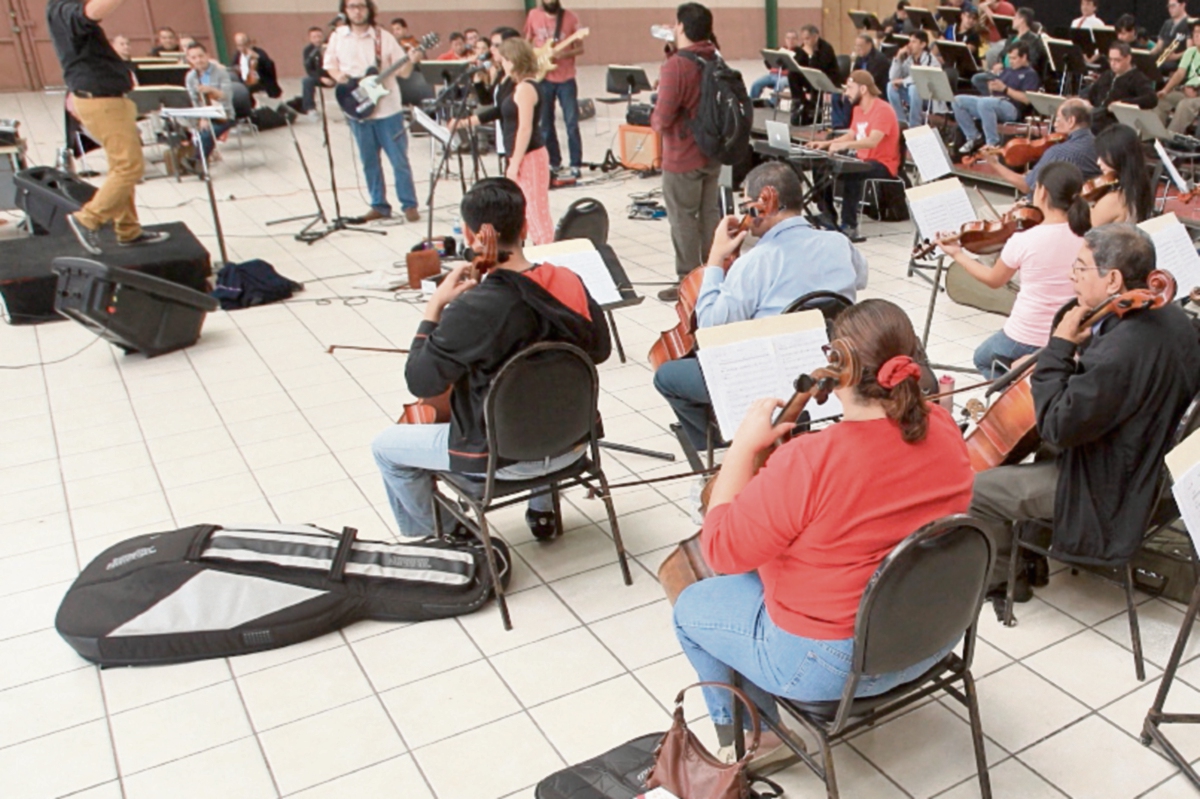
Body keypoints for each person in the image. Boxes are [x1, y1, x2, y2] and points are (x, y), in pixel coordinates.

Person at [673, 298, 974, 763]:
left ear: (842, 368)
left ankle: (761, 738)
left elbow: (721, 551)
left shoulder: (811, 460)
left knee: (691, 605)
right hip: (934, 638)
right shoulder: (942, 426)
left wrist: (742, 450)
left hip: (833, 669)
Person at [371, 178, 611, 541]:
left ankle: (450, 535)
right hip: (574, 443)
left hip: (504, 462)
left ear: (471, 236)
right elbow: (601, 351)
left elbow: (421, 381)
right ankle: (543, 512)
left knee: (387, 449)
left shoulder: (473, 308)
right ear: (525, 226)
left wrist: (435, 306)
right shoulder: (569, 280)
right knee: (541, 389)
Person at [970, 224, 1200, 598]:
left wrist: (1059, 348)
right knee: (1039, 457)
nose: (1070, 276)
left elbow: (1057, 425)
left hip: (1110, 487)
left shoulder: (1121, 349)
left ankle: (1005, 582)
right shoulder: (1175, 320)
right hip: (1152, 467)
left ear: (1113, 280)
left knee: (975, 489)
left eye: (1079, 268)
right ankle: (1031, 548)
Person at [653, 162, 869, 454]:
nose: (745, 215)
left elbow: (710, 327)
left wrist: (716, 258)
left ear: (763, 205)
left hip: (772, 379)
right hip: (831, 368)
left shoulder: (756, 262)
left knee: (667, 375)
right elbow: (862, 278)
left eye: (747, 206)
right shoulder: (839, 243)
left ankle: (724, 454)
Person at [936, 162, 1091, 378]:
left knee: (982, 359)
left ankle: (1023, 396)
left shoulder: (1024, 239)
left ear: (1043, 192)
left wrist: (957, 254)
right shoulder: (1089, 237)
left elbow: (994, 280)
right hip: (1070, 335)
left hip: (1026, 336)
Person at [49, 0, 169, 254]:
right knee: (129, 167)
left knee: (120, 165)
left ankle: (128, 229)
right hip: (102, 101)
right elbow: (91, 12)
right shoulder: (63, 9)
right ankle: (88, 219)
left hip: (109, 98)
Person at [324, 0, 421, 224]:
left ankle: (409, 204)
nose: (357, 11)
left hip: (388, 109)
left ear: (369, 9)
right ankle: (379, 205)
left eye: (361, 6)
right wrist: (339, 77)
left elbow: (403, 72)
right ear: (345, 11)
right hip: (357, 108)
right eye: (352, 7)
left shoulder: (383, 37)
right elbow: (329, 64)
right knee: (369, 161)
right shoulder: (338, 36)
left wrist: (412, 60)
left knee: (399, 160)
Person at [449, 38, 553, 245]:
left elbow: (525, 128)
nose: (501, 63)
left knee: (536, 210)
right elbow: (499, 111)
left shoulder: (526, 88)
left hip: (529, 155)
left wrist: (514, 163)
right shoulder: (514, 85)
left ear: (514, 61)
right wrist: (466, 122)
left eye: (504, 59)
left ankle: (546, 251)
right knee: (526, 209)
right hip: (519, 155)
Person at [652, 2, 721, 302]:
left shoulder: (676, 66)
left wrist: (652, 117)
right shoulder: (715, 57)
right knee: (708, 215)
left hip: (682, 156)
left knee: (682, 218)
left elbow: (662, 118)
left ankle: (687, 281)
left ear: (680, 27)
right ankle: (713, 274)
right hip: (712, 151)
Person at [808, 70, 900, 242]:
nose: (846, 93)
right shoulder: (858, 110)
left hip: (883, 164)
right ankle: (827, 214)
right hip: (862, 160)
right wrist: (826, 144)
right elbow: (851, 134)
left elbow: (872, 141)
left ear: (863, 89)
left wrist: (844, 145)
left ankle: (849, 225)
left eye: (850, 88)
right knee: (820, 164)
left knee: (852, 170)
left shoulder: (883, 110)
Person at [983, 98, 1100, 193]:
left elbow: (1026, 186)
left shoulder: (1058, 152)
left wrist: (994, 163)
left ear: (1071, 121)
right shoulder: (1098, 144)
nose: (1055, 125)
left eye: (1058, 119)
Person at [525, 0, 585, 180]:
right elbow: (528, 42)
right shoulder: (533, 16)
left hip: (566, 78)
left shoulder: (570, 18)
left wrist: (563, 54)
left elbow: (580, 48)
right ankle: (554, 162)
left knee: (572, 123)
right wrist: (534, 60)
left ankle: (575, 163)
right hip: (543, 78)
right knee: (545, 123)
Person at [956, 43, 1039, 152]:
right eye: (1009, 58)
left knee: (985, 103)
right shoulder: (1007, 70)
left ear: (1024, 57)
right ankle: (974, 137)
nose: (1010, 61)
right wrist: (992, 87)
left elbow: (1027, 99)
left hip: (1012, 108)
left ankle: (993, 144)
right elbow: (994, 92)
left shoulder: (1030, 74)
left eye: (1014, 58)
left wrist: (1005, 89)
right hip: (994, 102)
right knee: (958, 101)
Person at [1090, 124, 1154, 225]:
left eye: (1104, 156)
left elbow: (1087, 236)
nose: (1098, 162)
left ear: (1119, 156)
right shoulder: (1141, 186)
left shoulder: (1113, 200)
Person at [1087, 43, 1159, 132]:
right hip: (1096, 115)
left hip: (1114, 122)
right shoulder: (1107, 74)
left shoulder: (1138, 78)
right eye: (1110, 60)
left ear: (1128, 58)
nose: (1112, 63)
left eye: (1117, 60)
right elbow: (1092, 92)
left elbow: (1151, 99)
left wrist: (1121, 104)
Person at [184, 42, 235, 160]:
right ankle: (195, 159)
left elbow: (226, 96)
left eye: (201, 56)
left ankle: (197, 162)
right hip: (202, 115)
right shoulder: (190, 76)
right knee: (182, 130)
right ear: (189, 59)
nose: (198, 60)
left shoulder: (221, 72)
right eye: (194, 58)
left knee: (205, 135)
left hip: (223, 114)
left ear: (207, 55)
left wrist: (211, 90)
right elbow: (194, 100)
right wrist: (203, 117)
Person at [833, 33, 890, 128]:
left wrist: (852, 89)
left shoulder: (879, 59)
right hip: (859, 87)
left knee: (848, 97)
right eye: (856, 46)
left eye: (860, 46)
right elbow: (854, 75)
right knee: (836, 95)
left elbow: (871, 81)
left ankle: (846, 125)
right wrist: (848, 86)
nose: (857, 49)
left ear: (869, 45)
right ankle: (837, 124)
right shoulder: (860, 58)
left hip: (873, 90)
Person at [789, 24, 840, 127]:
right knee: (792, 74)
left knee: (815, 79)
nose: (805, 42)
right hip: (811, 77)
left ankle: (814, 109)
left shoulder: (826, 48)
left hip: (826, 79)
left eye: (807, 38)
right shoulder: (804, 47)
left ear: (816, 36)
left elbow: (819, 68)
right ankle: (800, 101)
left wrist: (811, 55)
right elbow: (797, 65)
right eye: (803, 39)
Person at [887, 30, 937, 129]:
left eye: (913, 42)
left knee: (914, 88)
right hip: (913, 96)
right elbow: (892, 77)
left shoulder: (930, 59)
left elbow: (921, 78)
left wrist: (902, 81)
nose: (909, 45)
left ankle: (915, 125)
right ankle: (901, 122)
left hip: (930, 97)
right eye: (909, 42)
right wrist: (898, 58)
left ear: (923, 44)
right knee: (890, 85)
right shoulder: (908, 59)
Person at [1157, 21, 1200, 133]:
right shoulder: (1190, 52)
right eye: (1195, 32)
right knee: (1162, 100)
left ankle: (1171, 138)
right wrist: (1165, 90)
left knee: (1184, 105)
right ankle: (1154, 136)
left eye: (1199, 32)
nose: (1196, 35)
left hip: (1197, 94)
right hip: (1187, 91)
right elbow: (1180, 73)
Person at [986, 6, 1044, 73]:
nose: (1013, 20)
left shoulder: (1033, 40)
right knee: (979, 78)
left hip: (1019, 73)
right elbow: (1002, 54)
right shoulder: (1011, 38)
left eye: (1015, 17)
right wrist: (1001, 63)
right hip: (1004, 71)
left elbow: (1032, 62)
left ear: (1022, 19)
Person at [749, 29, 799, 105]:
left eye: (793, 39)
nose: (790, 41)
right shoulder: (779, 49)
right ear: (785, 39)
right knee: (756, 83)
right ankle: (752, 102)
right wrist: (769, 58)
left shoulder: (799, 52)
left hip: (787, 76)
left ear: (797, 40)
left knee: (780, 83)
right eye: (788, 38)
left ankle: (772, 103)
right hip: (773, 74)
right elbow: (769, 65)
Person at [231, 32, 280, 100]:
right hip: (244, 82)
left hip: (261, 82)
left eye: (243, 45)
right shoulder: (238, 55)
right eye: (238, 45)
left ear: (248, 44)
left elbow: (269, 66)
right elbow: (233, 66)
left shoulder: (258, 52)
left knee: (247, 89)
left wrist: (258, 57)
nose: (241, 48)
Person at [1153, 0, 1192, 73]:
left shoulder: (1189, 23)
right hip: (1163, 60)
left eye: (1173, 6)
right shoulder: (1167, 23)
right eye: (1169, 6)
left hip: (1178, 63)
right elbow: (1158, 46)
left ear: (1182, 5)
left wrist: (1175, 56)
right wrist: (1146, 55)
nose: (1170, 9)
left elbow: (1190, 50)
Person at [299, 26, 331, 114]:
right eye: (314, 37)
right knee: (307, 81)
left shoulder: (332, 46)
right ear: (310, 39)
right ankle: (310, 108)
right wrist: (320, 78)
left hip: (335, 75)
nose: (317, 39)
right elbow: (309, 70)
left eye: (319, 36)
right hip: (321, 77)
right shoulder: (308, 51)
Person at [978, 0, 1017, 69]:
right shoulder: (985, 6)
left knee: (991, 53)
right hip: (989, 41)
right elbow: (980, 28)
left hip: (1005, 41)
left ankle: (992, 74)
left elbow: (998, 23)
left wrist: (986, 9)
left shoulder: (1006, 7)